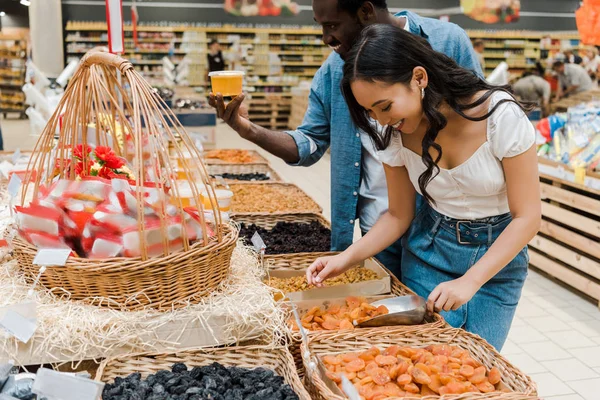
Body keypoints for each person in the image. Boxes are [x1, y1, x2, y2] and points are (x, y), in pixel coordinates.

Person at [306, 25, 541, 351]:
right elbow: (398, 215)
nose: (381, 119)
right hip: (430, 253)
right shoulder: (391, 132)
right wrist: (344, 259)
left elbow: (527, 217)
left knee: (477, 367)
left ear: (419, 78)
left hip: (497, 263)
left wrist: (471, 280)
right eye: (370, 111)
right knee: (422, 363)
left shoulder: (499, 115)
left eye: (385, 106)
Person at [209, 0, 483, 279]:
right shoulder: (333, 70)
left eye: (332, 25)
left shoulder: (446, 41)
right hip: (378, 229)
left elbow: (479, 123)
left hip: (441, 234)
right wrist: (247, 129)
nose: (326, 38)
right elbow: (310, 143)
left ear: (365, 12)